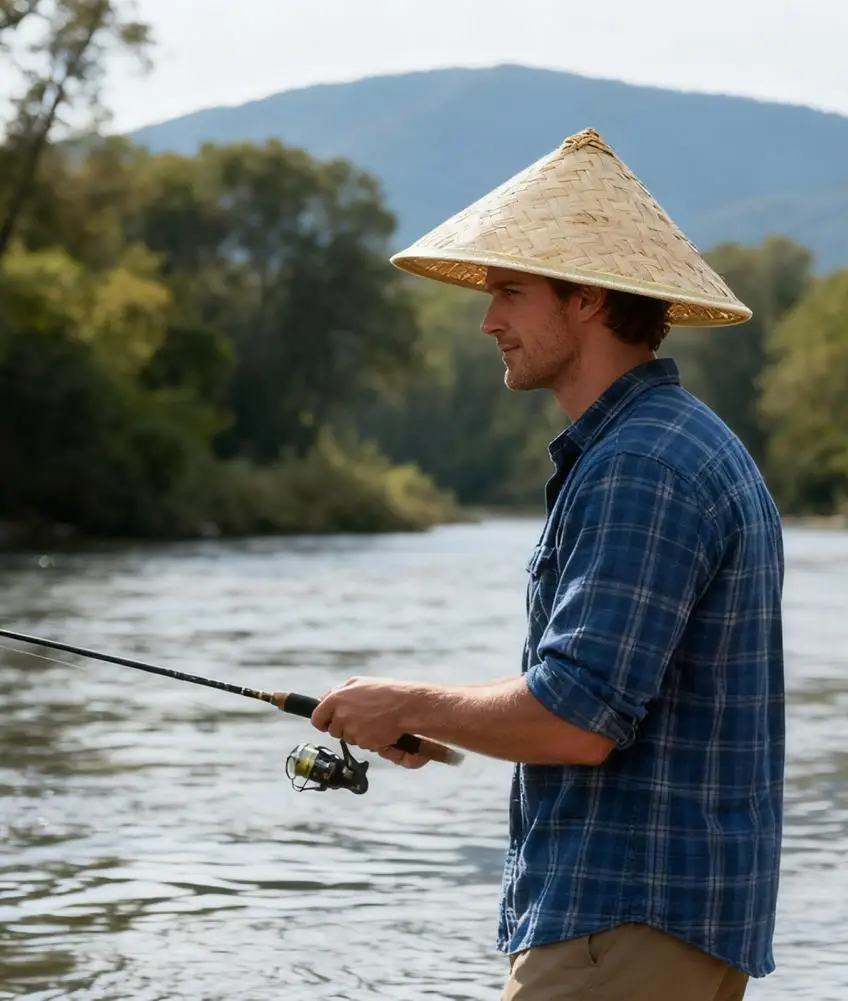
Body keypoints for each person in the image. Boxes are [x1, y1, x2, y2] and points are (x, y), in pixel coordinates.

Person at [310, 128, 786, 1001]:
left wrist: (406, 702)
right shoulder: (676, 442)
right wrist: (434, 712)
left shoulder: (639, 465)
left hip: (622, 920)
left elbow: (577, 720)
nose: (487, 320)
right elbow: (586, 688)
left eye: (509, 291)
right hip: (664, 923)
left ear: (588, 298)